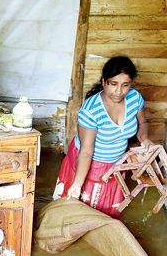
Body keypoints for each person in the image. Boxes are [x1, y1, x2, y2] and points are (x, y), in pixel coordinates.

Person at [53, 56, 153, 218]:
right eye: (113, 84)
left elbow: (142, 123)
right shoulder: (91, 110)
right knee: (81, 212)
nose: (119, 91)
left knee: (105, 211)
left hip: (115, 163)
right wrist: (77, 184)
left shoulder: (134, 98)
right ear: (104, 81)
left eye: (125, 85)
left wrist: (144, 138)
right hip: (90, 162)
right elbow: (86, 151)